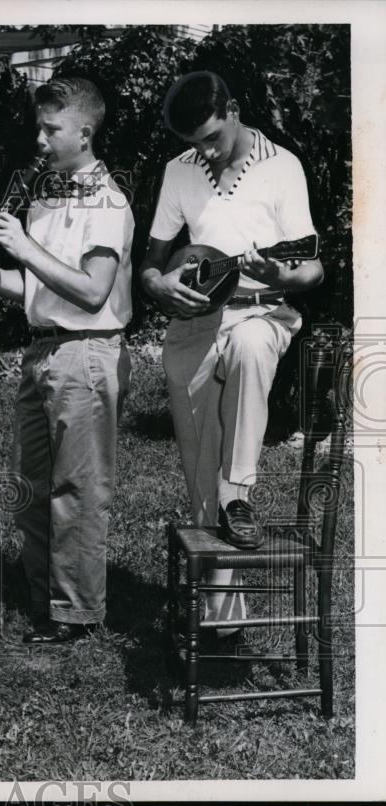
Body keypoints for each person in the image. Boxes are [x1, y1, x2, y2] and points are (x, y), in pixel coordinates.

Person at [140, 71, 323, 640]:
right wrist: (157, 284)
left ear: (236, 110)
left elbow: (313, 266)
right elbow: (151, 260)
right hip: (196, 319)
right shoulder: (179, 171)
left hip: (264, 314)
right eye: (194, 142)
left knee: (246, 345)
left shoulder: (282, 166)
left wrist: (281, 272)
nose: (205, 151)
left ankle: (239, 492)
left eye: (212, 137)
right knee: (199, 468)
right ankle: (220, 614)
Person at [0, 78, 133, 644]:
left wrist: (25, 246)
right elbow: (40, 291)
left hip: (85, 352)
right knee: (31, 485)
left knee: (77, 489)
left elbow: (91, 292)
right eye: (39, 126)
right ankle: (44, 597)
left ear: (84, 131)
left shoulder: (109, 201)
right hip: (43, 349)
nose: (40, 138)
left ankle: (77, 612)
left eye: (51, 129)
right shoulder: (48, 193)